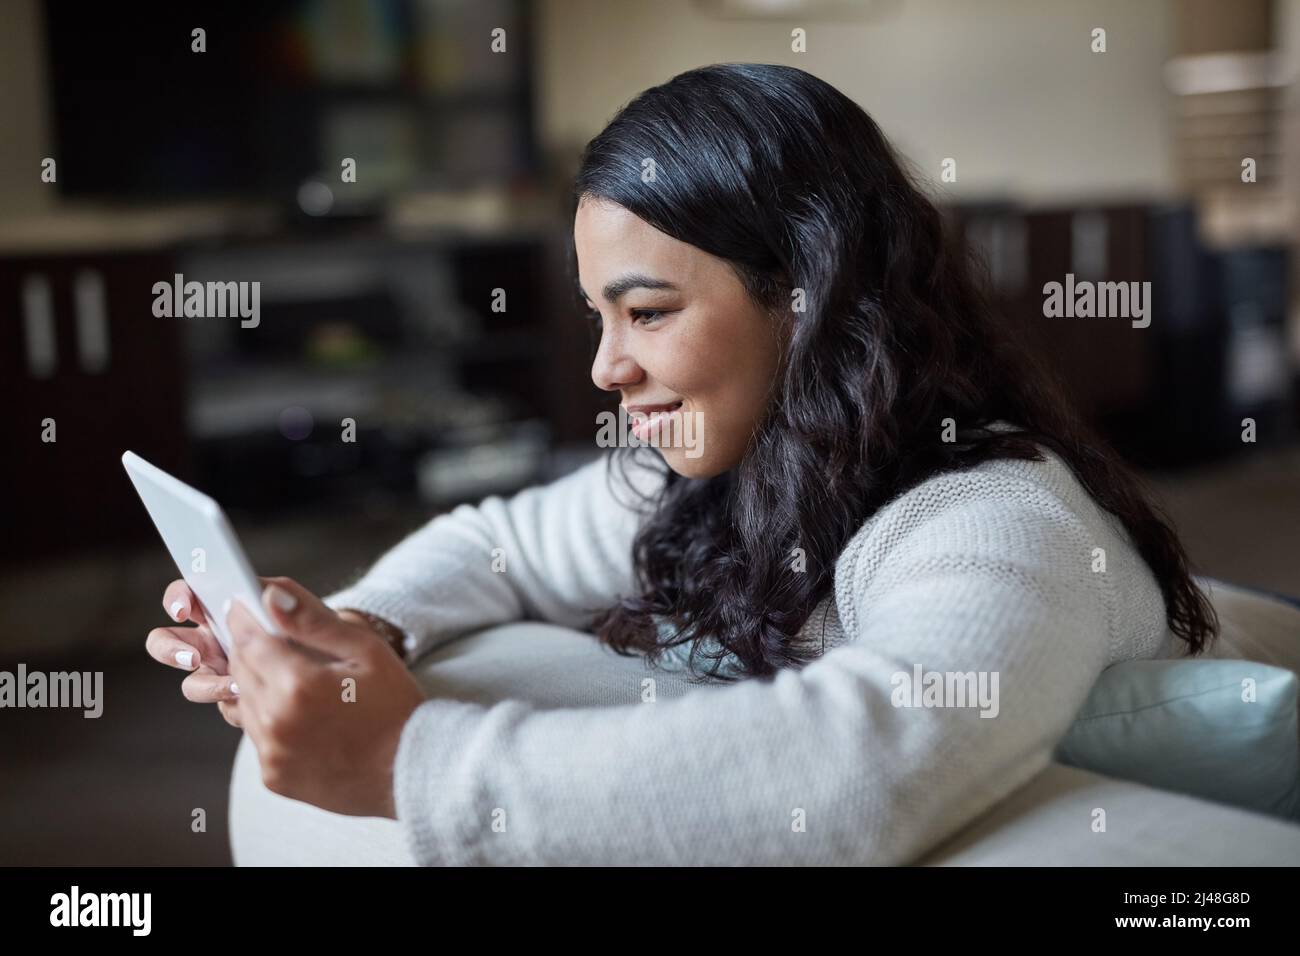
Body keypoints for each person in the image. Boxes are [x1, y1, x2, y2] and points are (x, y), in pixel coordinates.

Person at [144, 63, 1217, 865]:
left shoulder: (992, 513)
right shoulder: (732, 467)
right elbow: (495, 540)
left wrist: (402, 760)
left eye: (647, 312)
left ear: (810, 297)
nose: (609, 367)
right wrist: (357, 629)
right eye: (597, 318)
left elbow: (870, 762)